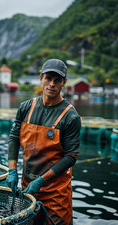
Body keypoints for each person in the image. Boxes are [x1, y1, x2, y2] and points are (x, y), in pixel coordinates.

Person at [7, 59, 81, 225]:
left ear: (64, 83)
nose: (52, 84)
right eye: (48, 78)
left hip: (56, 194)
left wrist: (41, 181)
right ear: (41, 78)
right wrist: (12, 171)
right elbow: (14, 138)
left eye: (57, 80)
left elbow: (71, 157)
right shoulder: (26, 107)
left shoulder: (70, 117)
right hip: (28, 189)